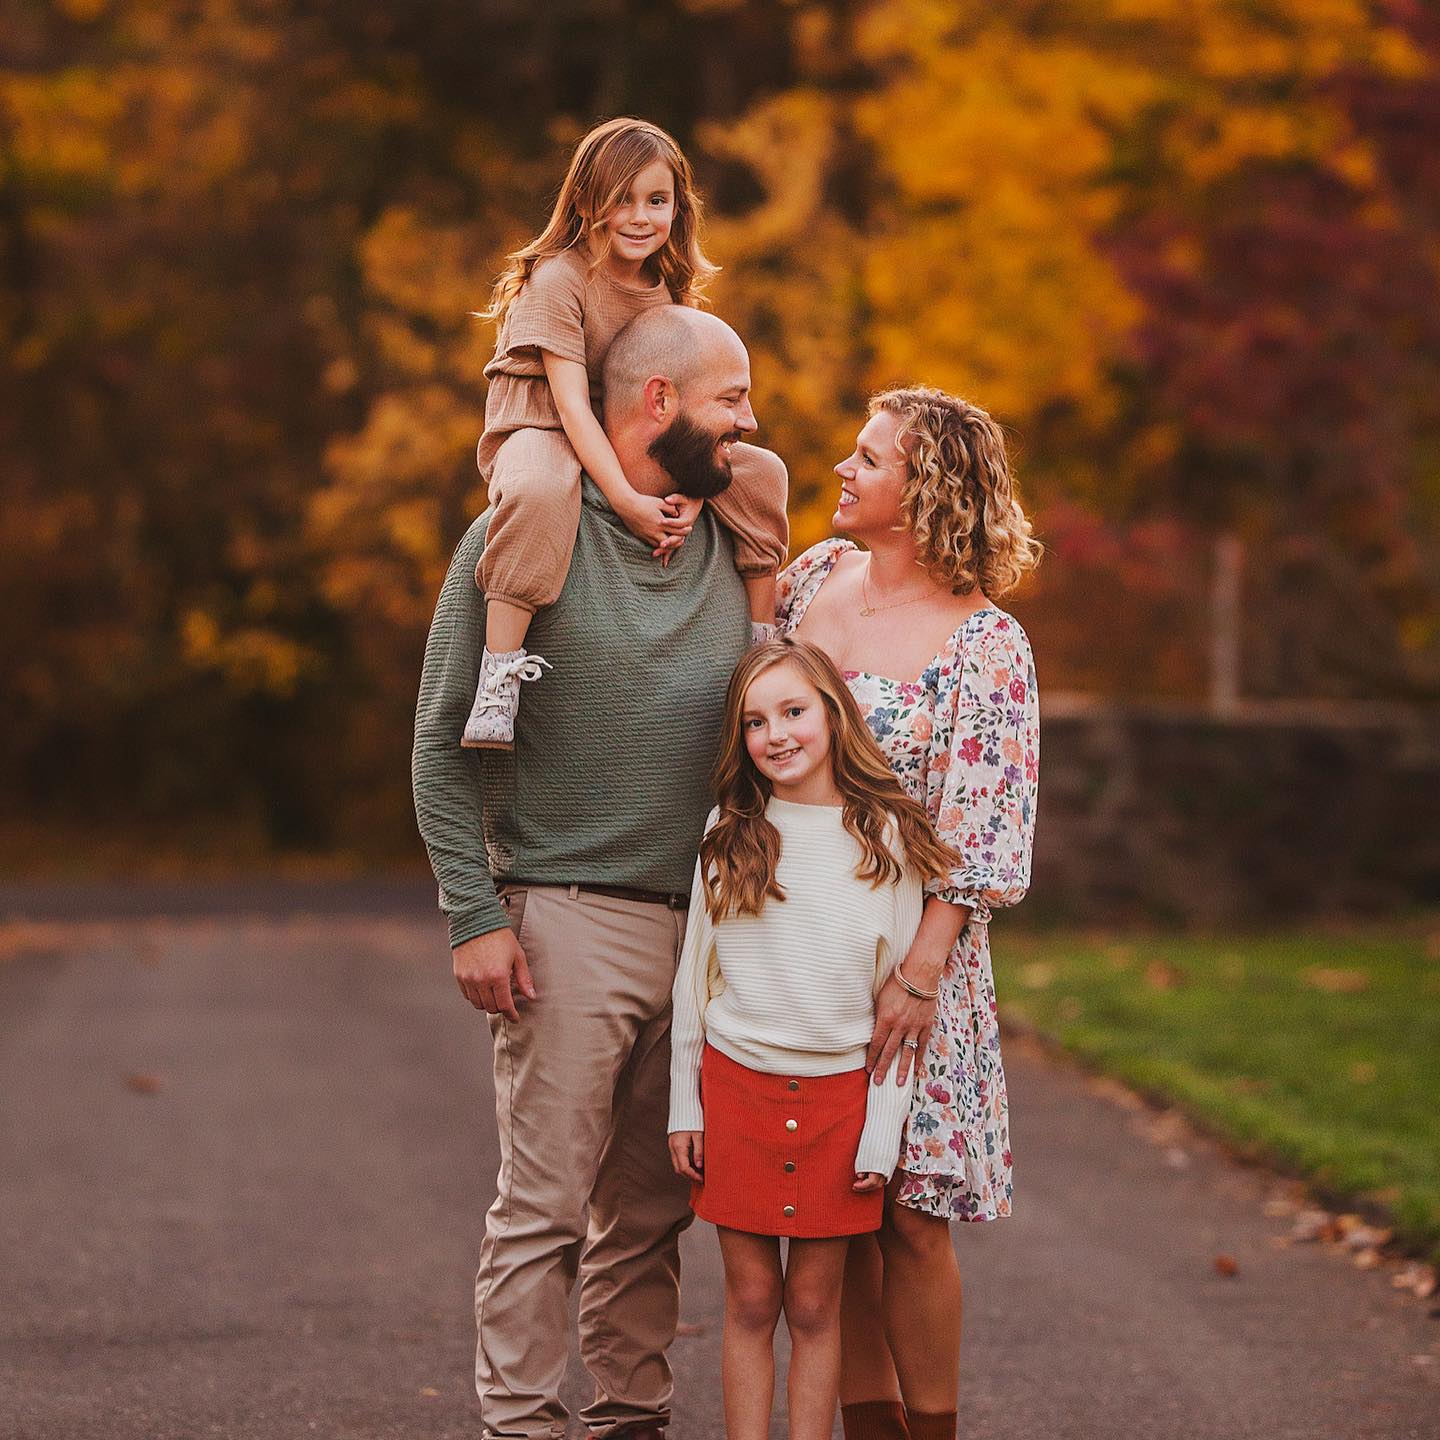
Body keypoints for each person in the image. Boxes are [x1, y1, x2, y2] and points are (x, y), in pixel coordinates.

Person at [413, 302, 772, 1440]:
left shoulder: (730, 539)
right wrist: (476, 914)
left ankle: (630, 1415)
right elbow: (437, 743)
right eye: (732, 400)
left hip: (711, 929)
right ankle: (521, 1425)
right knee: (547, 1206)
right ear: (657, 403)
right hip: (567, 913)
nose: (751, 425)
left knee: (653, 1209)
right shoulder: (525, 530)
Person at [776, 387, 1042, 1440]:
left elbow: (983, 830)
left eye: (869, 458)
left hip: (912, 957)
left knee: (912, 1214)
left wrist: (921, 973)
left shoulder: (985, 645)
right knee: (832, 1216)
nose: (843, 469)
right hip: (793, 943)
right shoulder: (810, 585)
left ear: (924, 492)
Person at [667, 637, 962, 1440]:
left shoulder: (888, 839)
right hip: (736, 1089)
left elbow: (900, 1021)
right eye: (756, 722)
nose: (777, 734)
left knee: (813, 1305)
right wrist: (681, 1111)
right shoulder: (729, 831)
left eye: (793, 711)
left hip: (841, 1101)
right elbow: (695, 983)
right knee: (753, 1299)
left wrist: (880, 1137)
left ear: (832, 714)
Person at [462, 115, 789, 749]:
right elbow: (572, 408)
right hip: (545, 422)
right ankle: (498, 672)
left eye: (658, 200)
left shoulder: (665, 286)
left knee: (761, 473)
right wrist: (627, 503)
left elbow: (686, 400)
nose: (641, 217)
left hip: (627, 427)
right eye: (623, 199)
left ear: (678, 207)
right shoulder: (559, 280)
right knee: (539, 489)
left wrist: (695, 489)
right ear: (587, 201)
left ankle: (760, 645)